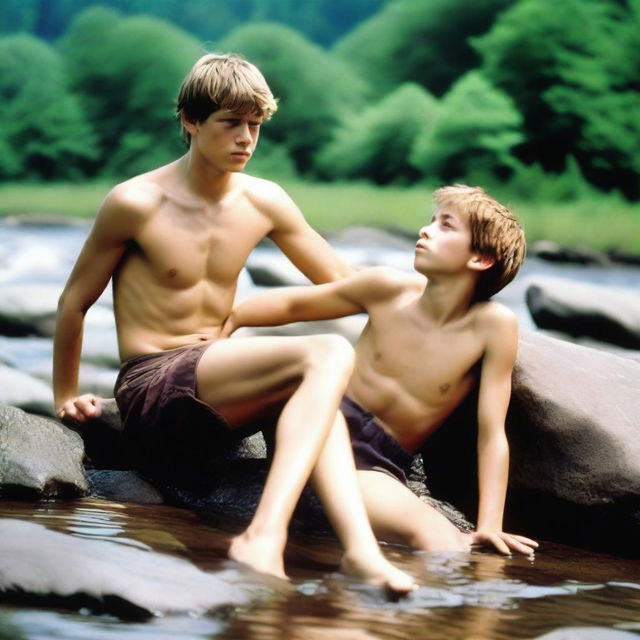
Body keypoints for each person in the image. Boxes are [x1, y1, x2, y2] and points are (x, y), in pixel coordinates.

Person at [52, 53, 415, 593]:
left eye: (256, 125)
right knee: (326, 355)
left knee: (317, 399)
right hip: (153, 384)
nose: (246, 138)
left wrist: (418, 287)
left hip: (219, 389)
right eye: (231, 123)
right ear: (190, 122)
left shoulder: (265, 200)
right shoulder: (134, 202)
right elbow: (74, 303)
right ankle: (262, 536)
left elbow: (339, 280)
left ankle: (360, 553)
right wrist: (65, 394)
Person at [223, 185, 539, 556]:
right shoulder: (389, 288)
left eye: (446, 227)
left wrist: (489, 524)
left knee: (445, 543)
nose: (425, 231)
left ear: (481, 259)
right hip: (320, 419)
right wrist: (232, 319)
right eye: (431, 221)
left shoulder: (493, 326)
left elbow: (491, 434)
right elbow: (294, 305)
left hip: (378, 463)